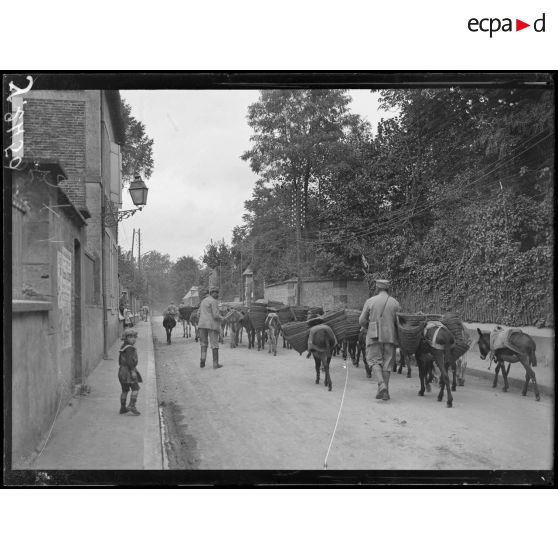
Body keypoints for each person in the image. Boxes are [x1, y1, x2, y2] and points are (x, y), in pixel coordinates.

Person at [359, 279, 401, 401]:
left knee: (373, 360)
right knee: (387, 363)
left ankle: (381, 383)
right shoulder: (395, 303)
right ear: (388, 289)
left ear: (377, 289)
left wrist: (369, 327)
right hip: (390, 336)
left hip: (373, 335)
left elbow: (361, 320)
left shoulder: (370, 301)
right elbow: (399, 323)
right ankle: (385, 392)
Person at [198, 286, 224, 369]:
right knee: (214, 345)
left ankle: (202, 360)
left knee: (203, 344)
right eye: (215, 292)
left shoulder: (203, 301)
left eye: (217, 292)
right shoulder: (214, 301)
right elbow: (216, 315)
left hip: (202, 325)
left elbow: (199, 314)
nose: (216, 294)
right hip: (211, 325)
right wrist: (222, 318)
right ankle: (215, 364)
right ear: (211, 293)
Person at [118, 329, 143, 415]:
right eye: (131, 337)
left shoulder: (123, 347)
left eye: (134, 337)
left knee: (124, 390)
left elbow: (119, 361)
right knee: (135, 388)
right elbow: (129, 361)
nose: (134, 339)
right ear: (126, 338)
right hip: (128, 371)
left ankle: (122, 408)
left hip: (121, 371)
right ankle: (132, 405)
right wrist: (132, 371)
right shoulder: (129, 348)